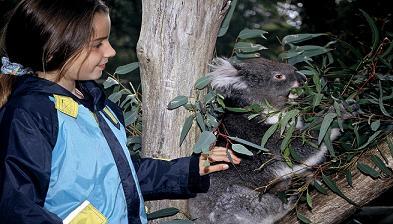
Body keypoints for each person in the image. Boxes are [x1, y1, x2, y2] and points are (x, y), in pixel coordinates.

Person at [0, 0, 241, 223]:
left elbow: (119, 176)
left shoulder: (99, 106)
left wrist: (190, 169)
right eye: (98, 44)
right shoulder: (30, 114)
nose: (111, 51)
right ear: (54, 50)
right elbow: (17, 208)